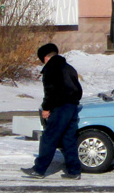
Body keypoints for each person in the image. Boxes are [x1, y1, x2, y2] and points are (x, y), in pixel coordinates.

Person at [21, 43, 83, 179]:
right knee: (69, 140)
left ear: (45, 57)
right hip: (72, 107)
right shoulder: (69, 68)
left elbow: (50, 91)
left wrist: (46, 108)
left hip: (59, 108)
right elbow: (78, 89)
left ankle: (39, 170)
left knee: (49, 138)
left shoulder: (51, 69)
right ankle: (74, 171)